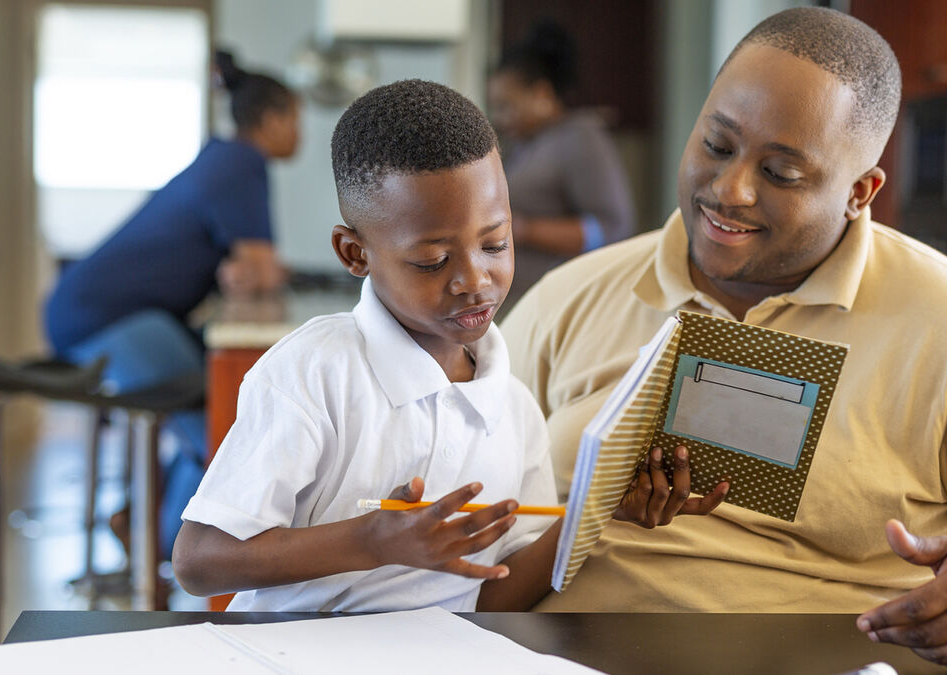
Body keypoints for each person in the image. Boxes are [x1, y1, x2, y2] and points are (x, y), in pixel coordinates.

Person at [502, 7, 947, 672]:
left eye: (780, 173)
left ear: (859, 192)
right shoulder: (567, 300)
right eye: (716, 147)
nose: (729, 190)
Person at [170, 79, 724, 613]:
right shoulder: (315, 373)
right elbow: (198, 561)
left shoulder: (513, 409)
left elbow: (492, 597)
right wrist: (372, 542)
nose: (474, 280)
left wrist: (597, 513)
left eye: (495, 244)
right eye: (433, 261)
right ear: (354, 253)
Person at [43, 50, 297, 559]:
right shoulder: (242, 162)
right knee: (225, 422)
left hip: (91, 308)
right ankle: (165, 549)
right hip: (108, 316)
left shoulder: (222, 158)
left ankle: (142, 524)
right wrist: (257, 269)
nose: (300, 135)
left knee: (220, 408)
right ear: (271, 119)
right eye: (296, 120)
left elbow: (248, 269)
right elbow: (260, 268)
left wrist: (250, 269)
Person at [487, 19, 635, 309]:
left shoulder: (582, 138)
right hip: (520, 300)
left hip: (559, 304)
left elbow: (612, 228)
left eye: (507, 105)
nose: (501, 118)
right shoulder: (525, 142)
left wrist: (524, 229)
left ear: (542, 93)